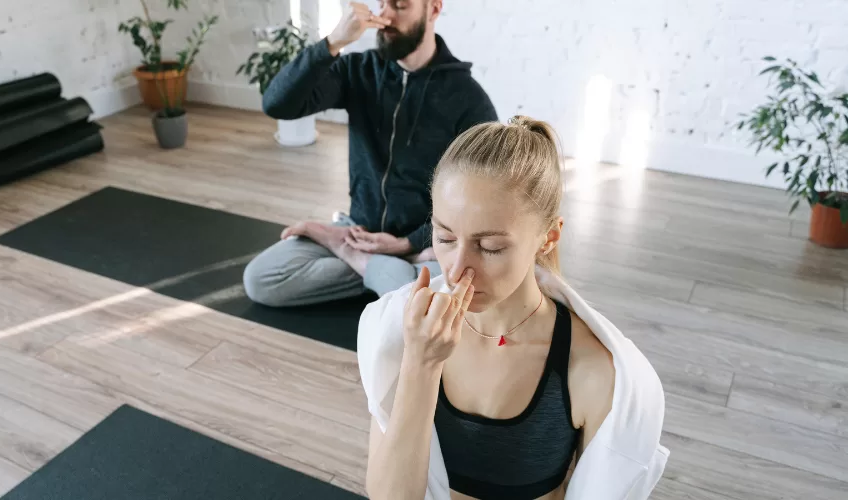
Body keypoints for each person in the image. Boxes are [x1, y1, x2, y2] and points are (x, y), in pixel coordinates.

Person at [357, 117, 668, 499]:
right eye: (444, 237)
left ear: (549, 237)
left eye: (490, 247)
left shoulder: (592, 372)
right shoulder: (402, 330)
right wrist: (421, 363)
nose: (456, 270)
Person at [242, 0, 498, 307]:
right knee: (261, 279)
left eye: (400, 5)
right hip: (356, 231)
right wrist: (333, 42)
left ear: (433, 10)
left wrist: (408, 243)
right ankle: (386, 276)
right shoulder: (359, 71)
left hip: (426, 242)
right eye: (382, 4)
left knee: (445, 295)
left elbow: (480, 201)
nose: (386, 15)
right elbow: (277, 104)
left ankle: (363, 262)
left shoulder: (467, 98)